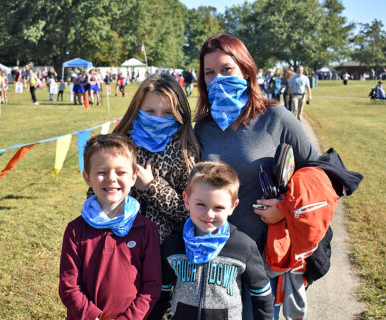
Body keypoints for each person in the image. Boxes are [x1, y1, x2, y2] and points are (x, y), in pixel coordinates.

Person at [193, 34, 319, 320]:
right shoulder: (201, 128)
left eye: (227, 70)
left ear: (246, 71)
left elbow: (318, 172)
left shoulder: (277, 118)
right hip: (210, 261)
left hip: (262, 262)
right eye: (209, 73)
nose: (217, 79)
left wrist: (285, 210)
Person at [151, 161, 273, 320]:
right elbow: (162, 292)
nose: (209, 214)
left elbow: (261, 294)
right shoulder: (173, 244)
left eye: (218, 207)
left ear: (232, 206)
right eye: (201, 204)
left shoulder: (244, 246)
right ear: (187, 201)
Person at [58, 134, 161, 320]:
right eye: (102, 172)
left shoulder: (146, 229)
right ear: (87, 178)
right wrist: (92, 316)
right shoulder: (75, 230)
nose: (111, 178)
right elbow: (69, 286)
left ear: (133, 177)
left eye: (120, 172)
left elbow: (152, 285)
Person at [112, 73, 200, 242]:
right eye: (150, 111)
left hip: (164, 248)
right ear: (137, 109)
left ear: (178, 112)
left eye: (167, 112)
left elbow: (192, 209)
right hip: (120, 242)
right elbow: (97, 192)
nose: (158, 118)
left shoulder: (185, 151)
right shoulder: (120, 144)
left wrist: (151, 187)